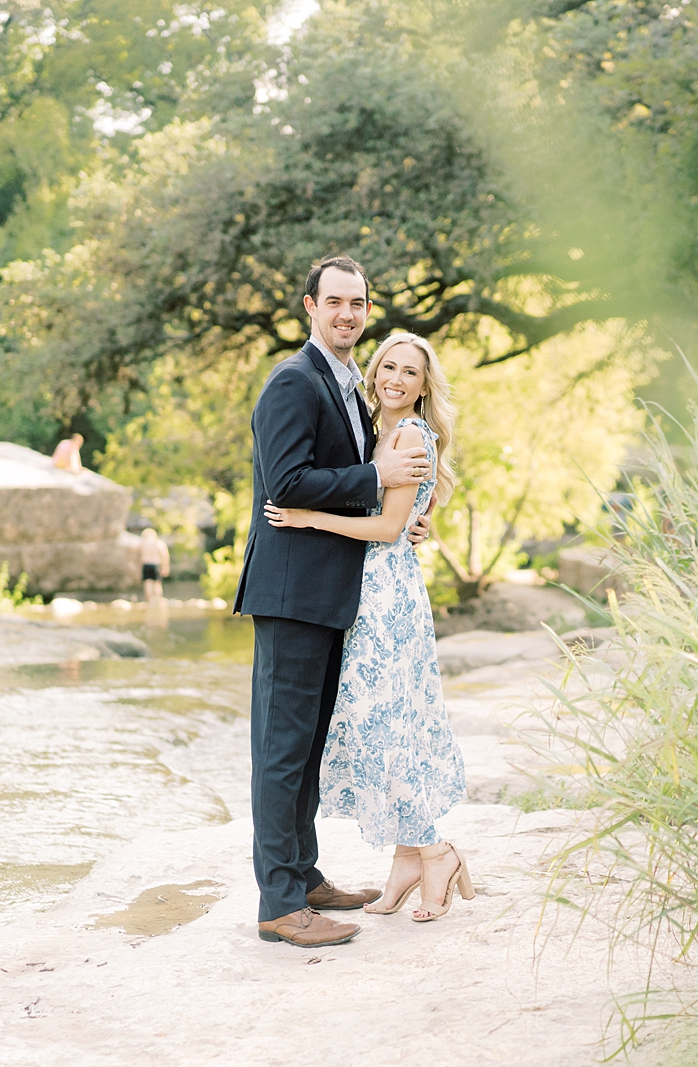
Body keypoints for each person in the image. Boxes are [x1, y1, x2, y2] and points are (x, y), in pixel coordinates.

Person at [233, 255, 433, 949]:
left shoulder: (346, 384)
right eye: (334, 302)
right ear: (310, 307)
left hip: (330, 595)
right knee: (281, 750)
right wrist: (374, 474)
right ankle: (279, 902)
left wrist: (398, 513)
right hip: (291, 592)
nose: (346, 313)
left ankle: (306, 875)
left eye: (358, 303)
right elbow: (287, 480)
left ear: (367, 312)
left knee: (309, 747)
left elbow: (349, 484)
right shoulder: (293, 381)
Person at [264, 332, 470, 922]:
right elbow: (401, 515)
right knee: (389, 721)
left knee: (385, 727)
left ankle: (436, 851)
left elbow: (385, 530)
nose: (397, 379)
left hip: (386, 599)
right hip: (368, 592)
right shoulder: (378, 429)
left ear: (425, 386)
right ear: (375, 371)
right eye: (389, 367)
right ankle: (409, 858)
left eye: (411, 373)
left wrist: (307, 517)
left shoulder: (406, 434)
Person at [139, 528, 169, 606]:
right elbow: (164, 555)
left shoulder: (143, 544)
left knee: (147, 583)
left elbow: (139, 556)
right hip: (155, 564)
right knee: (157, 583)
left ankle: (149, 601)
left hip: (146, 564)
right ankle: (158, 600)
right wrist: (165, 567)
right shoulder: (158, 543)